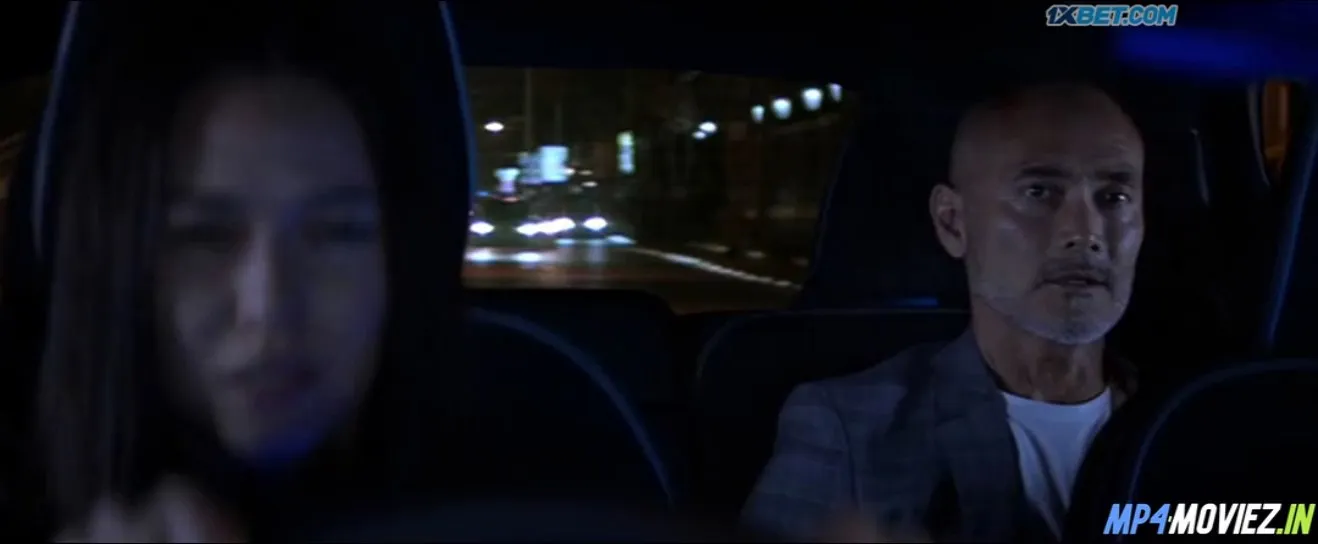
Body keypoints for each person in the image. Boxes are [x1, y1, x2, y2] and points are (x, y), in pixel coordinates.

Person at [35, 3, 470, 540]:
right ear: (119, 260)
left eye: (335, 233)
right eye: (205, 237)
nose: (269, 307)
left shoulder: (527, 490)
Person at [742, 82, 1145, 542]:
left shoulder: (1193, 420)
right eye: (1039, 192)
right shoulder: (852, 429)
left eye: (1114, 198)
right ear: (953, 222)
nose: (1086, 233)